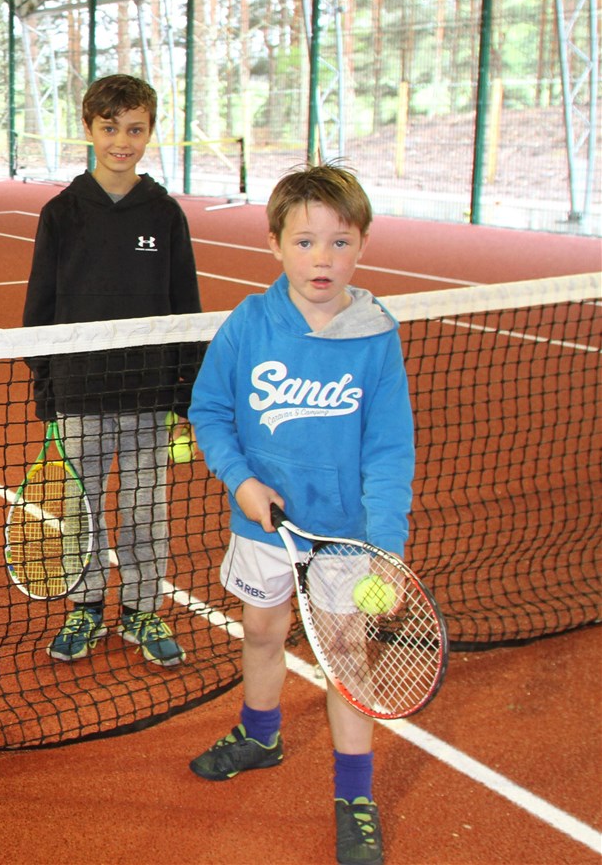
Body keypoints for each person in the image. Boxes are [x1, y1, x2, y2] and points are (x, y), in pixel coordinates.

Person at [186, 164, 413, 865]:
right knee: (261, 629)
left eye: (340, 243)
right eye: (307, 242)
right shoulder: (249, 325)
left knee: (345, 651)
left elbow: (388, 448)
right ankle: (261, 733)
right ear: (276, 245)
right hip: (264, 524)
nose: (324, 259)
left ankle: (355, 794)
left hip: (345, 536)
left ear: (363, 245)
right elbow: (210, 412)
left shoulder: (375, 337)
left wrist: (387, 547)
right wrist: (241, 480)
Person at [21, 73, 203, 667]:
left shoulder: (166, 215)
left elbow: (185, 309)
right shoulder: (61, 213)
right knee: (83, 509)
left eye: (135, 129)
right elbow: (40, 310)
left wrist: (185, 398)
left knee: (147, 510)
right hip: (79, 395)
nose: (122, 141)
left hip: (149, 396)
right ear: (89, 130)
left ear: (150, 132)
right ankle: (87, 605)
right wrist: (47, 389)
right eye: (109, 128)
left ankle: (143, 610)